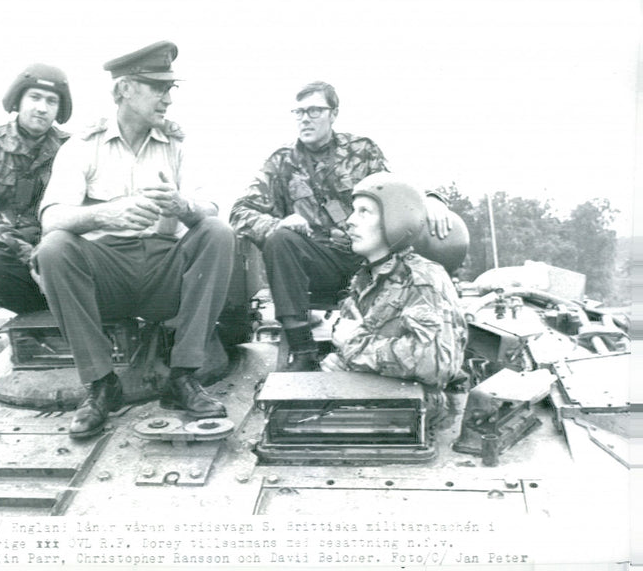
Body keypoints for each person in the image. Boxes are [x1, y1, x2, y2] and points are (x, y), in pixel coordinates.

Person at [33, 41, 235, 438]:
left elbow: (210, 208)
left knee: (218, 232)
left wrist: (182, 205)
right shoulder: (83, 146)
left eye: (170, 88)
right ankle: (101, 384)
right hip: (107, 274)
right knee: (54, 247)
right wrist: (102, 214)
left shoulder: (178, 145)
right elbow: (51, 217)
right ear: (125, 89)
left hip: (164, 272)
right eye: (158, 87)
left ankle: (183, 376)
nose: (168, 99)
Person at [230, 81, 453, 371]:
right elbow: (240, 211)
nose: (305, 118)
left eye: (314, 110)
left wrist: (432, 199)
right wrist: (279, 223)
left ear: (333, 114)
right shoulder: (281, 161)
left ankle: (397, 351)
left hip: (367, 261)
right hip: (316, 266)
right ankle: (303, 350)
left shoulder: (361, 150)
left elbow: (396, 192)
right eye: (299, 112)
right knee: (280, 239)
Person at [319, 176, 468, 421]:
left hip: (411, 416)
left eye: (364, 212)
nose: (350, 221)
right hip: (368, 404)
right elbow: (351, 348)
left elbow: (435, 363)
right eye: (353, 211)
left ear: (395, 219)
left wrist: (353, 345)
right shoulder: (363, 279)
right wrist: (337, 360)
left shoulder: (424, 278)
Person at [0, 63, 72, 313]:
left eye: (52, 101)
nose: (42, 108)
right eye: (34, 97)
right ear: (18, 100)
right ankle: (40, 317)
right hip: (5, 253)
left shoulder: (73, 148)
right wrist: (31, 257)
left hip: (57, 253)